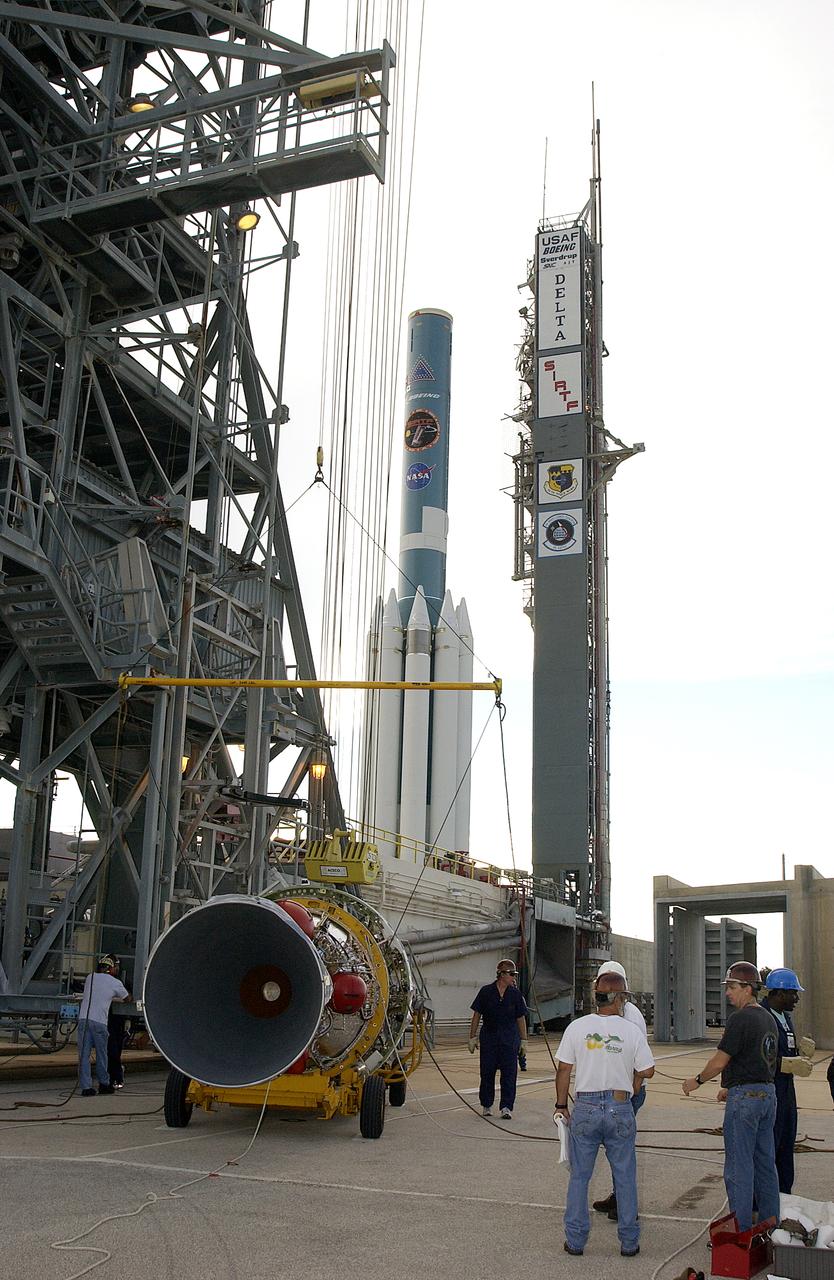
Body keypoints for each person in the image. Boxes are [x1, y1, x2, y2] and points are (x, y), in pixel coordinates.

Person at [555, 971, 655, 1258]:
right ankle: (629, 1242)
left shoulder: (576, 1028)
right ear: (619, 998)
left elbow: (564, 1069)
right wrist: (632, 1084)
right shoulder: (631, 1031)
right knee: (624, 1177)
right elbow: (648, 1069)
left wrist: (562, 1105)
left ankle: (575, 1241)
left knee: (579, 1177)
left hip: (585, 1107)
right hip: (619, 1106)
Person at [682, 961, 779, 1232]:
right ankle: (772, 1227)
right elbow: (761, 1059)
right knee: (764, 1164)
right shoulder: (767, 1017)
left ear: (748, 989)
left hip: (746, 1101)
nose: (728, 993)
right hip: (767, 1096)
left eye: (733, 987)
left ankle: (742, 1233)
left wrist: (697, 1081)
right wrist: (730, 1085)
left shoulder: (741, 1018)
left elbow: (719, 1061)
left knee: (739, 1168)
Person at [591, 960, 650, 1221]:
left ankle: (626, 1205)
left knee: (621, 1149)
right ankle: (619, 1197)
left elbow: (640, 1063)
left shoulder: (631, 1016)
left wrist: (631, 1092)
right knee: (617, 1147)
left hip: (626, 1093)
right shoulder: (608, 1014)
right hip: (612, 1092)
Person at [760, 968, 806, 1193]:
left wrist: (800, 1054)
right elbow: (759, 1056)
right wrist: (784, 1064)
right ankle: (764, 1202)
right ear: (779, 993)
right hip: (771, 1091)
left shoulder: (785, 1018)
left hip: (787, 1091)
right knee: (770, 1146)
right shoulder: (762, 1016)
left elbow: (784, 1050)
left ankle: (785, 1196)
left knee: (786, 1145)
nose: (796, 998)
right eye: (793, 993)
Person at [468, 958, 528, 1119]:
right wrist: (472, 1037)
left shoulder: (515, 995)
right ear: (501, 974)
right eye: (511, 974)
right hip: (489, 1039)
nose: (513, 977)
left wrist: (524, 1040)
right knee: (487, 1072)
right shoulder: (486, 992)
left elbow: (520, 1018)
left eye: (514, 974)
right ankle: (487, 1104)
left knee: (509, 1074)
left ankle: (506, 1107)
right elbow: (476, 1015)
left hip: (509, 1040)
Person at [77, 954, 129, 1097]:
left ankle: (86, 1087)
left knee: (84, 1056)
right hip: (99, 1022)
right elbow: (127, 998)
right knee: (102, 1055)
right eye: (116, 967)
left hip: (83, 1019)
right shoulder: (115, 983)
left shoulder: (90, 978)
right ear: (111, 968)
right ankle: (104, 1084)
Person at [106, 958, 132, 1090]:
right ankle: (112, 1077)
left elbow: (127, 998)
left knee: (113, 1051)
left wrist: (127, 1019)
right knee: (111, 1051)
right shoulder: (109, 982)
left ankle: (115, 1077)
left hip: (116, 1021)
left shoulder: (119, 982)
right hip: (108, 1020)